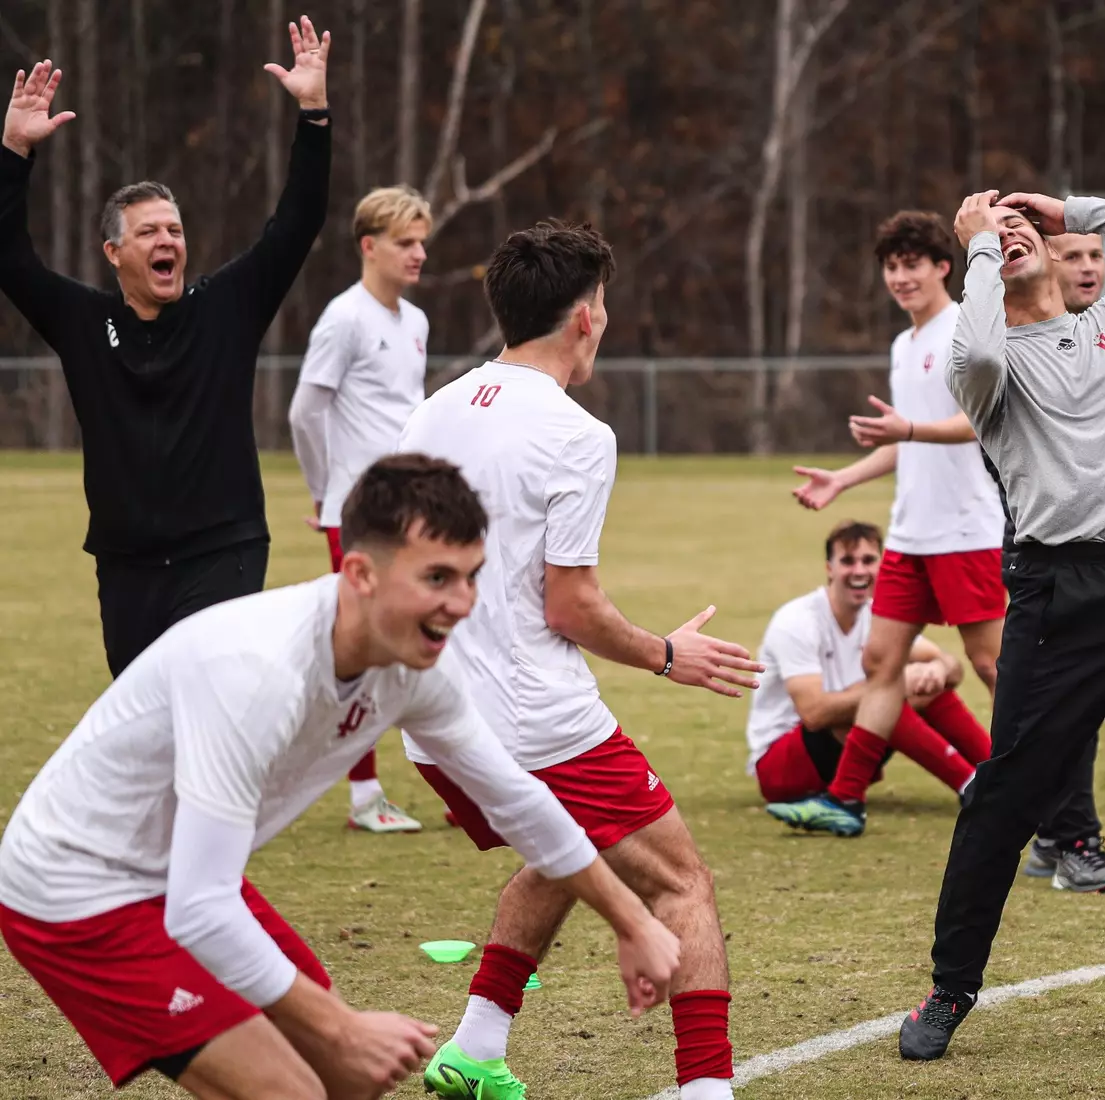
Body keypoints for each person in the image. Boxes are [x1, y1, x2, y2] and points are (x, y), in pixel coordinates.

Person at [0, 454, 681, 1099]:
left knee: (339, 1074)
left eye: (473, 575)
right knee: (297, 1084)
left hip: (177, 877)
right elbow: (200, 909)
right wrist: (342, 1024)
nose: (464, 602)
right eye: (438, 578)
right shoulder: (255, 672)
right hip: (75, 889)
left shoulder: (415, 667)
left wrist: (633, 924)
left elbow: (519, 802)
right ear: (359, 573)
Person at [397, 219, 761, 1100]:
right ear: (585, 317)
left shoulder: (430, 410)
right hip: (535, 718)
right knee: (683, 885)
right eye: (604, 301)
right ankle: (707, 1089)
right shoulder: (577, 434)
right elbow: (573, 606)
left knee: (560, 850)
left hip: (432, 722)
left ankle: (477, 1046)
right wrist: (669, 653)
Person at [898, 189, 1105, 1061]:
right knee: (1007, 799)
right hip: (1057, 593)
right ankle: (951, 987)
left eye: (1020, 232)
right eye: (991, 243)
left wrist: (1075, 206)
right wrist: (974, 249)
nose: (1009, 242)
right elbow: (970, 344)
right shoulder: (989, 364)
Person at [0, 24, 332, 677]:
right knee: (144, 730)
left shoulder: (226, 308)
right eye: (149, 231)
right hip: (126, 565)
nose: (167, 240)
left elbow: (298, 221)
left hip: (223, 550)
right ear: (114, 253)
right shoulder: (81, 321)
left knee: (209, 704)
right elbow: (8, 257)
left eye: (174, 230)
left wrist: (314, 115)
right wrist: (13, 151)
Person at [776, 211, 1006, 838]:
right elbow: (905, 439)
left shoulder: (965, 329)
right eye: (892, 266)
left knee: (993, 668)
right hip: (910, 536)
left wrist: (907, 430)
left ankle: (1044, 789)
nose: (901, 277)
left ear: (942, 267)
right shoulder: (904, 346)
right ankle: (845, 800)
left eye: (913, 264)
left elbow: (979, 421)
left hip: (967, 532)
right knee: (882, 662)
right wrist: (842, 480)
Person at [289, 185, 432, 834]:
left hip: (410, 508)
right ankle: (364, 796)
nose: (419, 253)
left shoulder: (416, 322)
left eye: (423, 241)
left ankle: (461, 787)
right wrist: (326, 492)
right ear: (369, 245)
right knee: (361, 648)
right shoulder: (343, 319)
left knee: (434, 639)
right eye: (406, 242)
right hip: (357, 513)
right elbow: (305, 410)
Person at [1012, 230, 1105, 894]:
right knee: (1057, 700)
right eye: (1072, 255)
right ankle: (1069, 838)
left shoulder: (1104, 328)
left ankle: (1057, 836)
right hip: (1047, 545)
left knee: (1071, 697)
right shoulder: (1010, 332)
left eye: (1095, 256)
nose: (1088, 268)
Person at [751, 519, 994, 816]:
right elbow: (813, 713)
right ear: (829, 568)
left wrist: (938, 671)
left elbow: (952, 669)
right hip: (781, 767)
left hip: (843, 752)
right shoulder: (798, 621)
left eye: (868, 560)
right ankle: (970, 784)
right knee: (885, 693)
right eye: (847, 561)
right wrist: (899, 685)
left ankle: (999, 772)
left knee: (917, 688)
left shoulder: (875, 617)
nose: (859, 571)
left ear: (882, 566)